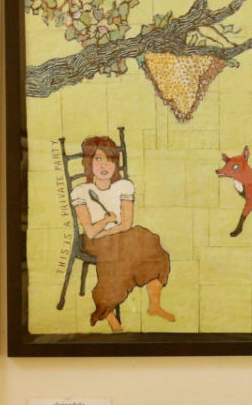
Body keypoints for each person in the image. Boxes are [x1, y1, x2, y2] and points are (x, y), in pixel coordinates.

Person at [70, 135, 174, 331]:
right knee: (117, 255)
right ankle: (108, 314)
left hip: (119, 235)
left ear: (115, 164)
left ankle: (155, 305)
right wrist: (106, 221)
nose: (104, 165)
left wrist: (110, 230)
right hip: (94, 242)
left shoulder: (124, 186)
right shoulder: (81, 191)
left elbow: (126, 224)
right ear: (88, 163)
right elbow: (90, 233)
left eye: (109, 160)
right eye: (98, 159)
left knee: (147, 240)